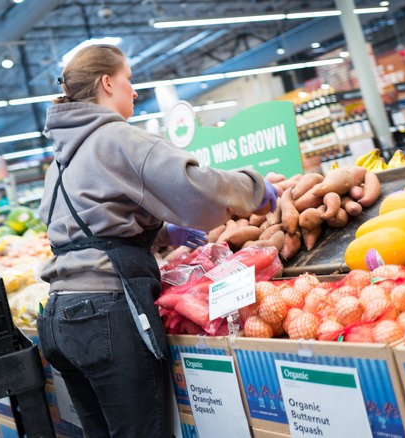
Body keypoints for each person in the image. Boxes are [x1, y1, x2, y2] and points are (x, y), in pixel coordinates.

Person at [36, 44, 277, 438]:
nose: (134, 91)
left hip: (59, 320)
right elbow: (196, 185)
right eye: (129, 80)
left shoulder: (59, 162)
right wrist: (255, 188)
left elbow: (92, 228)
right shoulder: (116, 138)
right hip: (106, 314)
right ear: (107, 82)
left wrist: (164, 233)